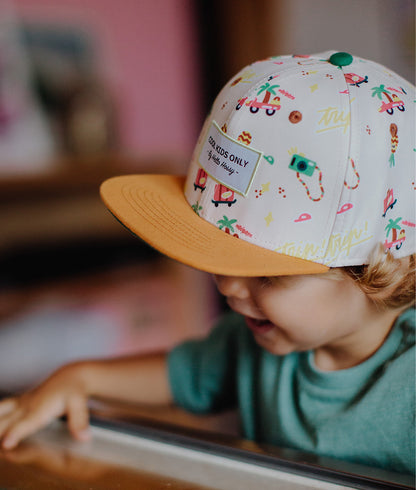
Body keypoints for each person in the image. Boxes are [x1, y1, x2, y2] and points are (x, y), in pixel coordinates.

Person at [0, 51, 414, 475]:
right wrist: (80, 377)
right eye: (218, 255)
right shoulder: (251, 344)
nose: (229, 288)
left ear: (387, 267)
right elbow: (184, 374)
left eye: (268, 275)